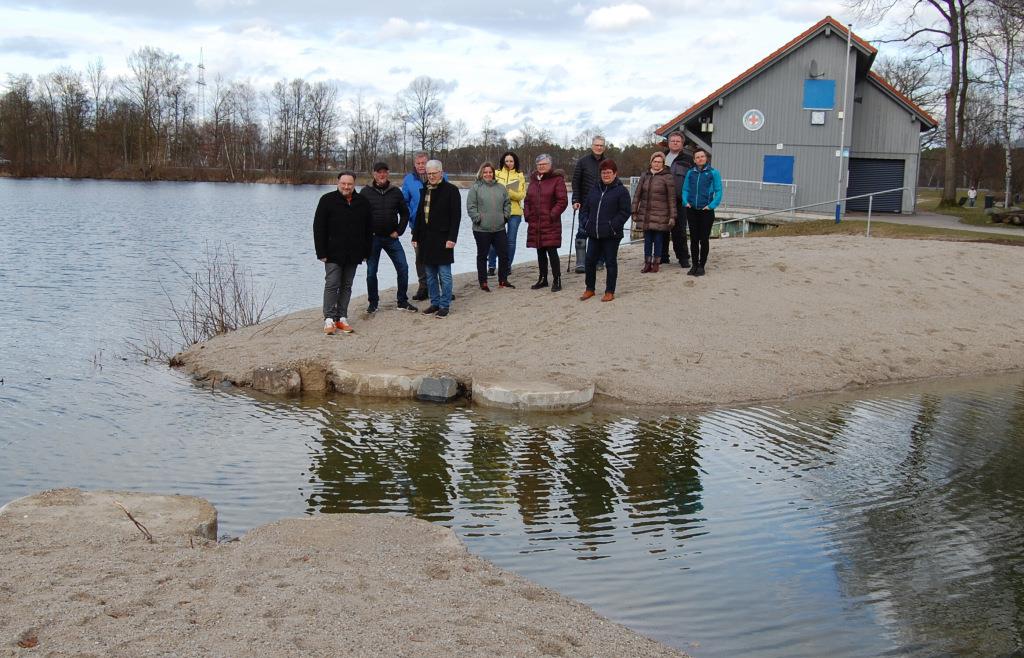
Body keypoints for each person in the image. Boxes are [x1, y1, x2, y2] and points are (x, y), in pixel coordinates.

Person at [313, 171, 372, 334]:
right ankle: (329, 319)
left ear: (354, 185)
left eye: (350, 184)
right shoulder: (327, 200)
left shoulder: (362, 202)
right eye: (343, 184)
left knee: (347, 285)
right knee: (332, 284)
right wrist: (321, 252)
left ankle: (342, 317)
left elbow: (368, 230)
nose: (346, 187)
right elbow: (318, 228)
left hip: (354, 252)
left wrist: (367, 252)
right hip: (332, 252)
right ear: (338, 183)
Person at [360, 162, 418, 314]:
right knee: (371, 272)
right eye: (379, 172)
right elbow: (358, 216)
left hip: (391, 238)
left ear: (388, 174)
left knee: (403, 267)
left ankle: (402, 301)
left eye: (384, 172)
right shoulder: (366, 192)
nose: (382, 175)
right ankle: (373, 303)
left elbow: (405, 213)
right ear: (374, 174)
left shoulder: (395, 192)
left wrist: (399, 231)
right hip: (372, 239)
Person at [412, 160, 461, 318]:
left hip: (443, 238)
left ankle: (444, 305)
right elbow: (420, 215)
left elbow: (456, 217)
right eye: (429, 173)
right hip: (426, 239)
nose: (431, 176)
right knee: (430, 275)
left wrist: (452, 238)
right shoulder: (424, 189)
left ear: (441, 172)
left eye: (434, 173)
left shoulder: (451, 190)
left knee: (444, 274)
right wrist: (415, 236)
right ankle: (435, 303)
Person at [579, 159, 630, 302]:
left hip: (611, 234)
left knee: (610, 262)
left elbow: (625, 212)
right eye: (603, 172)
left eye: (609, 172)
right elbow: (585, 208)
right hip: (594, 232)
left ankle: (609, 291)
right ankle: (590, 289)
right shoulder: (594, 189)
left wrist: (612, 225)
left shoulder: (621, 191)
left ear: (615, 174)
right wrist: (586, 223)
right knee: (589, 261)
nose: (606, 175)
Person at [402, 151, 448, 301]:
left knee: (440, 256)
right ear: (415, 164)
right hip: (417, 226)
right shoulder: (409, 180)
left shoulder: (442, 177)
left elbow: (447, 199)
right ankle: (424, 287)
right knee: (420, 257)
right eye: (418, 163)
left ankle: (444, 287)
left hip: (439, 227)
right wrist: (411, 215)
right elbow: (404, 202)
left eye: (424, 163)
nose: (421, 166)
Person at [524, 154, 568, 292]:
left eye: (544, 164)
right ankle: (543, 278)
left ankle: (557, 279)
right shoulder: (533, 181)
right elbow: (527, 200)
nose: (541, 167)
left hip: (550, 222)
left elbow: (562, 201)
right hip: (535, 222)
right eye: (539, 165)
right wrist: (527, 215)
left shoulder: (557, 180)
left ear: (550, 165)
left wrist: (552, 215)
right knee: (540, 251)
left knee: (552, 251)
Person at [468, 162, 513, 291]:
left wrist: (505, 217)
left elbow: (507, 203)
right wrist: (478, 218)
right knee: (482, 256)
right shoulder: (475, 188)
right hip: (481, 229)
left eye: (490, 172)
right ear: (481, 173)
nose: (488, 174)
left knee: (504, 255)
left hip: (499, 228)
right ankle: (483, 282)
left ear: (493, 173)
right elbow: (471, 206)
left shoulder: (501, 187)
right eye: (485, 172)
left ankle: (503, 280)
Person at [631, 151, 676, 273]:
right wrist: (634, 211)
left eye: (659, 162)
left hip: (661, 214)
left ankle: (656, 263)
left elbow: (672, 199)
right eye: (655, 161)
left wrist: (672, 216)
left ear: (663, 163)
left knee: (658, 240)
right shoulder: (644, 175)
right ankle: (647, 263)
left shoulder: (667, 177)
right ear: (651, 162)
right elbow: (637, 195)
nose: (657, 164)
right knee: (647, 241)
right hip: (645, 213)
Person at [682, 148, 723, 277]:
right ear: (694, 160)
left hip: (706, 211)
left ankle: (701, 265)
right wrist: (685, 202)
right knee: (694, 239)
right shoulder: (690, 173)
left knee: (704, 239)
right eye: (697, 157)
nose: (700, 159)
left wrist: (711, 206)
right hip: (692, 209)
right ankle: (694, 264)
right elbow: (685, 189)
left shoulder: (713, 173)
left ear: (706, 158)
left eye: (702, 156)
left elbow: (719, 191)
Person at [571, 135, 607, 273]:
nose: (599, 148)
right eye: (596, 145)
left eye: (601, 145)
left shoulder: (608, 162)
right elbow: (576, 182)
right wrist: (575, 200)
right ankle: (581, 262)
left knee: (602, 233)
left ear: (604, 147)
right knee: (582, 231)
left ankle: (599, 261)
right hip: (586, 204)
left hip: (604, 204)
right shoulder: (582, 162)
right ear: (592, 146)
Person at [489, 151, 526, 276]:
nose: (509, 163)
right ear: (503, 162)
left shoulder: (520, 176)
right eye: (506, 161)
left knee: (511, 241)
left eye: (511, 161)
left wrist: (507, 192)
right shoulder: (497, 174)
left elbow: (521, 195)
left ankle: (506, 266)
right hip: (497, 211)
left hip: (514, 213)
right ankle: (492, 266)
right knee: (494, 239)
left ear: (515, 162)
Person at [663, 131, 693, 268]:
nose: (675, 143)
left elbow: (693, 179)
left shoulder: (688, 159)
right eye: (672, 141)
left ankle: (683, 257)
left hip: (680, 200)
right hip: (662, 199)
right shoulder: (661, 157)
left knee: (679, 230)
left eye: (678, 141)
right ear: (668, 143)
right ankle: (663, 256)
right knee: (662, 229)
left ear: (682, 143)